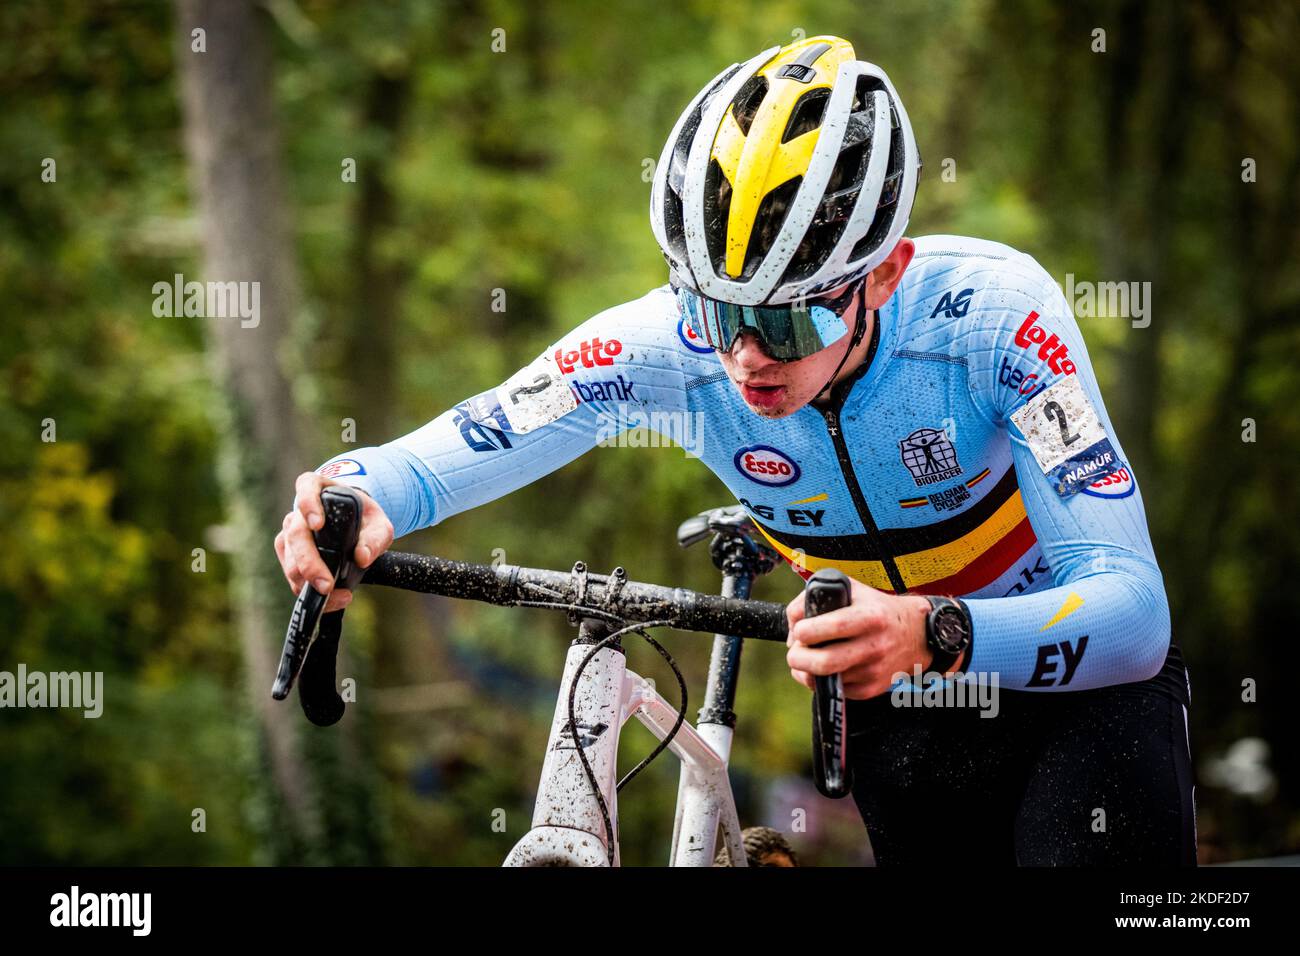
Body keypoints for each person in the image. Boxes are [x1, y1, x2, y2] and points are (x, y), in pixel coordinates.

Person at [275, 35, 1196, 865]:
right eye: (715, 312)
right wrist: (355, 491)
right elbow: (470, 438)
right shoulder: (666, 346)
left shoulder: (997, 319)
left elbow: (1133, 611)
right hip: (892, 700)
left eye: (787, 319)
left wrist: (936, 632)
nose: (746, 356)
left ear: (884, 272)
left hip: (1074, 687)